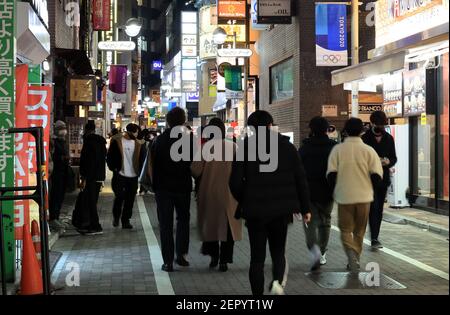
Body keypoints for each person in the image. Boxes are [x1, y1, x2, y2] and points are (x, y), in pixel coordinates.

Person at [229, 110, 311, 295]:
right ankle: (276, 283)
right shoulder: (287, 147)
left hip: (255, 212)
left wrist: (245, 199)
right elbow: (300, 179)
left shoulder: (245, 147)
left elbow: (234, 182)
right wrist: (305, 208)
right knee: (278, 252)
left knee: (256, 259)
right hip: (281, 212)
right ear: (270, 125)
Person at [327, 118, 383, 273]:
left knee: (345, 229)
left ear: (345, 130)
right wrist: (368, 186)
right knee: (360, 230)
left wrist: (337, 188)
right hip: (364, 197)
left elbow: (331, 175)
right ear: (362, 131)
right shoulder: (369, 150)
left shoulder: (337, 150)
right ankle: (356, 258)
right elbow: (377, 176)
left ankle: (351, 254)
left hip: (344, 196)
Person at [191, 118, 242, 272]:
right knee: (228, 228)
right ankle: (224, 261)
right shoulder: (234, 147)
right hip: (230, 194)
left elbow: (195, 170)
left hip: (209, 193)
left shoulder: (205, 148)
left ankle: (214, 256)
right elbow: (241, 171)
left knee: (211, 226)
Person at [151, 107, 195, 272]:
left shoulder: (159, 140)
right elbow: (194, 163)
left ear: (168, 122)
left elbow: (152, 164)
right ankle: (182, 256)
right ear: (183, 121)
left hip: (163, 188)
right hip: (182, 186)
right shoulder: (189, 140)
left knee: (165, 225)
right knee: (183, 221)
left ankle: (168, 261)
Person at [299, 117, 337, 270]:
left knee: (309, 222)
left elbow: (298, 171)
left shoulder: (304, 149)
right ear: (327, 129)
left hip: (308, 191)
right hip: (328, 190)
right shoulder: (334, 147)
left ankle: (313, 249)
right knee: (325, 222)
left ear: (311, 129)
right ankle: (322, 252)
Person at [362, 111, 397, 250]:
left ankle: (375, 237)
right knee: (371, 207)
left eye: (382, 124)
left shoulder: (389, 138)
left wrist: (388, 161)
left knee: (379, 209)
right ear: (372, 123)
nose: (380, 127)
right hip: (367, 179)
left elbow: (394, 158)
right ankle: (368, 236)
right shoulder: (364, 138)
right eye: (377, 124)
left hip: (383, 179)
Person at [107, 123, 144, 229]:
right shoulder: (118, 141)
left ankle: (125, 220)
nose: (137, 134)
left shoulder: (138, 144)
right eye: (136, 132)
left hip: (133, 176)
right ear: (132, 132)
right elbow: (110, 156)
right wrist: (113, 168)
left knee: (130, 199)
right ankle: (116, 217)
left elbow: (142, 159)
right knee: (119, 197)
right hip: (120, 174)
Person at [78, 121, 107, 235]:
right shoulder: (100, 142)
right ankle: (90, 224)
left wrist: (84, 177)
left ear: (86, 130)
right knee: (92, 201)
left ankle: (95, 226)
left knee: (90, 202)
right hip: (99, 176)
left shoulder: (89, 142)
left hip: (91, 177)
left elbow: (87, 161)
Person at [49, 120, 70, 231]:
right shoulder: (53, 142)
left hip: (63, 172)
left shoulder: (63, 141)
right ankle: (53, 219)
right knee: (56, 196)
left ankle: (56, 217)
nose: (64, 130)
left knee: (60, 196)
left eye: (64, 127)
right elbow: (52, 158)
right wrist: (63, 158)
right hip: (56, 173)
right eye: (61, 128)